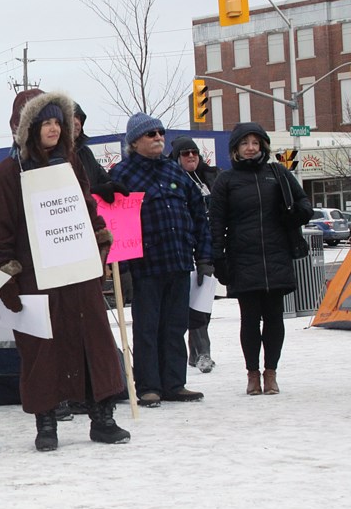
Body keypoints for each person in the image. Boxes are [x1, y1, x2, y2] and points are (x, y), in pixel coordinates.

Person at [0, 92, 129, 452]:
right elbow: (1, 230)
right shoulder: (9, 172)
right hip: (36, 274)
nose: (53, 128)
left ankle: (102, 416)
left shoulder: (71, 164)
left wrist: (99, 243)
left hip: (77, 268)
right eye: (45, 122)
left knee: (92, 341)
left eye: (57, 122)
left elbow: (86, 208)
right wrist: (8, 275)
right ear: (28, 128)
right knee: (41, 350)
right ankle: (46, 421)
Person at [110, 113, 212, 407]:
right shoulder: (121, 175)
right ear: (134, 141)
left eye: (160, 133)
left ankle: (174, 383)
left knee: (175, 326)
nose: (158, 138)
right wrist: (124, 269)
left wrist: (204, 257)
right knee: (147, 328)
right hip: (145, 267)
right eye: (150, 134)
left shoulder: (175, 172)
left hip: (179, 261)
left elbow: (199, 217)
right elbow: (114, 223)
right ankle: (148, 386)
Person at [209, 123, 313, 396]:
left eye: (255, 143)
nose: (250, 148)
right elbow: (216, 222)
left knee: (275, 318)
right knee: (249, 320)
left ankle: (271, 373)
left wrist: (292, 215)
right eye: (245, 143)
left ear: (263, 147)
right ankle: (252, 374)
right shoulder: (226, 180)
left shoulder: (277, 173)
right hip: (243, 257)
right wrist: (217, 257)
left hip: (277, 255)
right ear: (236, 149)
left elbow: (304, 206)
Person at [169, 136, 220, 374]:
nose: (191, 156)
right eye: (185, 153)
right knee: (194, 305)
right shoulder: (172, 179)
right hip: (184, 250)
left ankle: (195, 353)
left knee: (203, 302)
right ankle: (203, 354)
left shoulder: (213, 177)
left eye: (194, 152)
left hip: (211, 248)